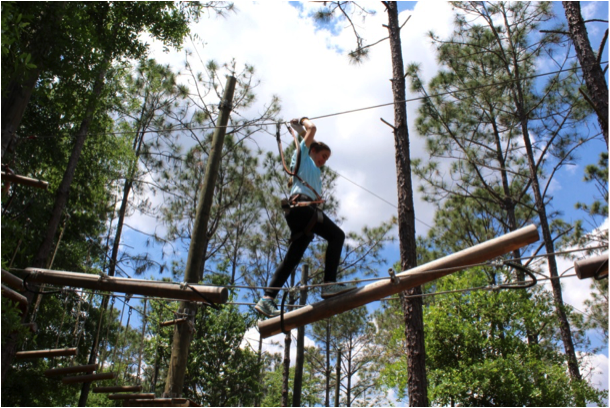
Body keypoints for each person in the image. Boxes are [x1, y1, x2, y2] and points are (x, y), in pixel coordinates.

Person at [255, 117, 356, 318]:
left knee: (292, 258)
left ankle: (267, 299)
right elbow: (313, 129)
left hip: (303, 214)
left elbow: (309, 139)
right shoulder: (302, 158)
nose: (324, 160)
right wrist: (303, 121)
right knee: (337, 236)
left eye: (327, 158)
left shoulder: (312, 169)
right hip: (302, 208)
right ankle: (328, 284)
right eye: (323, 155)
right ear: (312, 151)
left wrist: (299, 130)